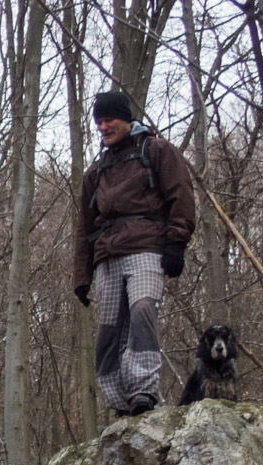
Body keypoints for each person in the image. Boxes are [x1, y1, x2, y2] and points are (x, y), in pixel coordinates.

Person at [73, 90, 196, 416]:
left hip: (146, 248)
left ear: (126, 119)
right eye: (98, 121)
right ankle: (120, 401)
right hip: (106, 258)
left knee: (143, 310)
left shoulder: (157, 151)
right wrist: (81, 277)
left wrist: (176, 244)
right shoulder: (96, 172)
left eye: (108, 119)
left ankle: (143, 391)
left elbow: (180, 195)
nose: (103, 126)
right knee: (109, 332)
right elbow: (84, 227)